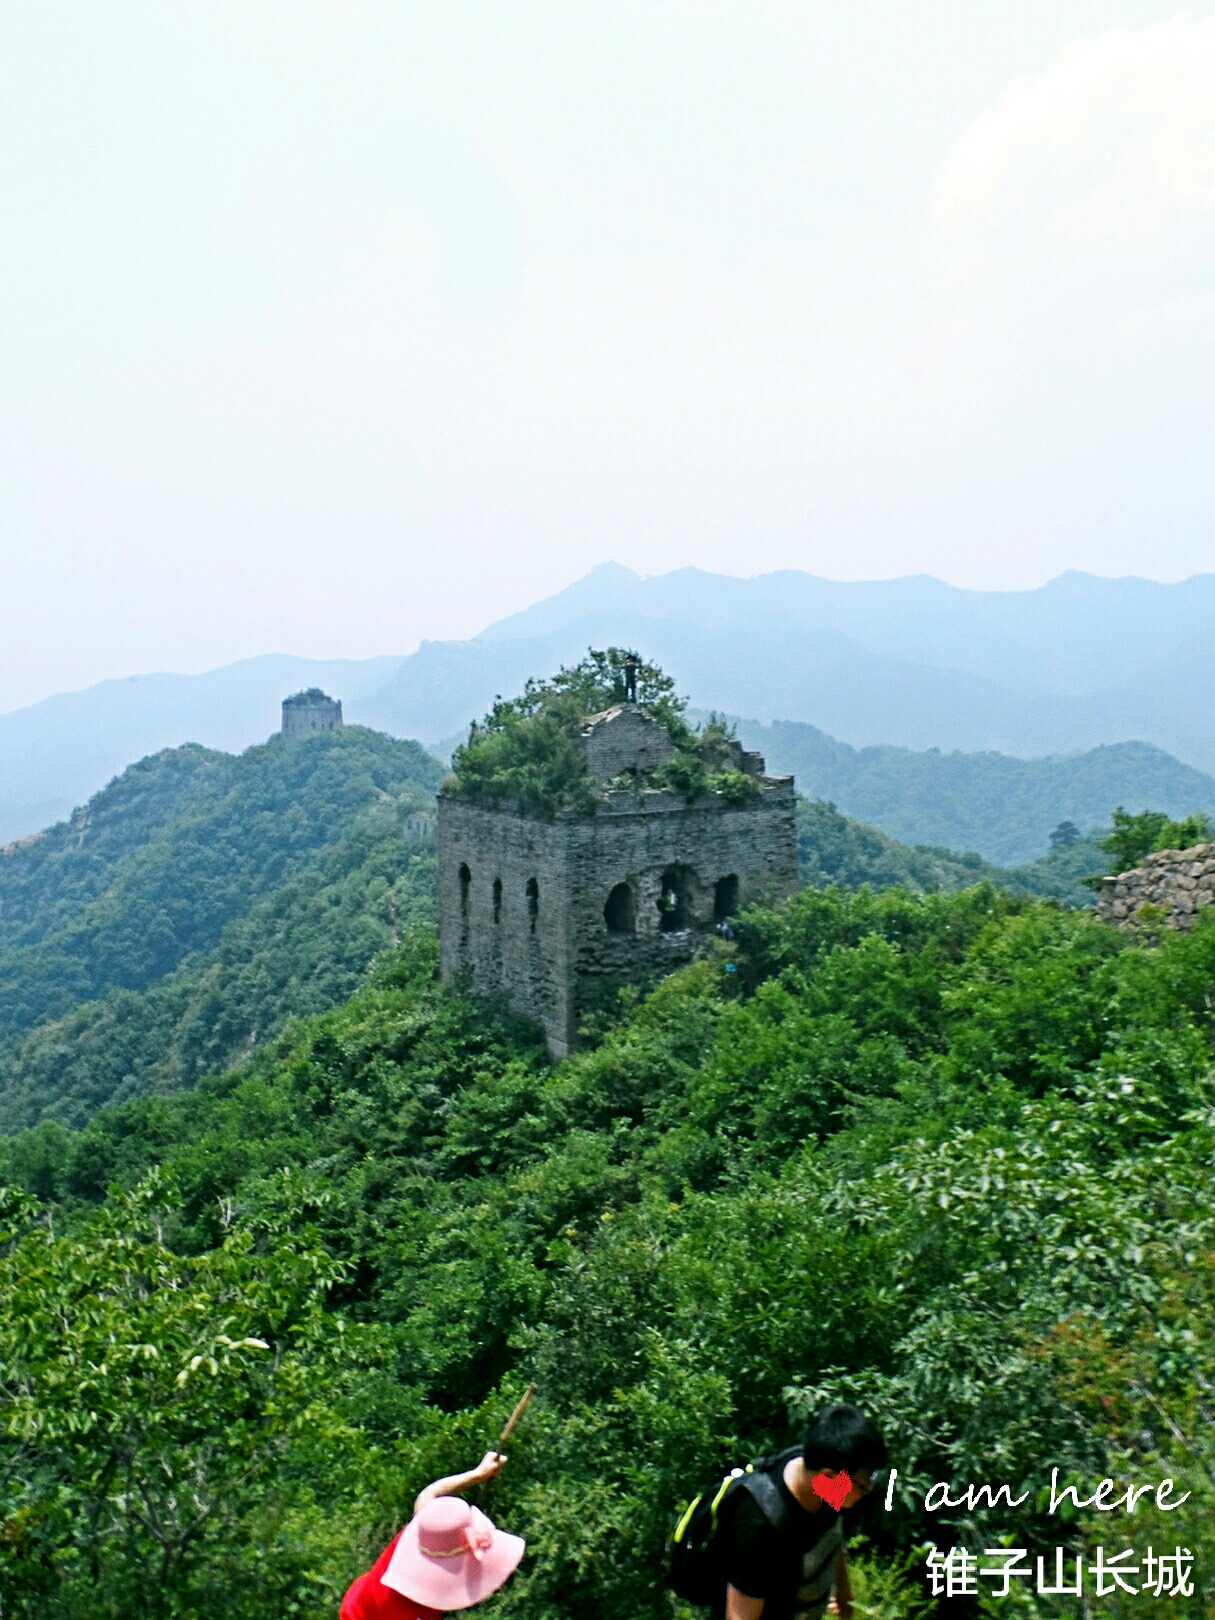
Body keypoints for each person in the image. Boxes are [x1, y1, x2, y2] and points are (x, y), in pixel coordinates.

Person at [715, 1404, 888, 1620]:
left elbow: (831, 1531)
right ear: (831, 1477)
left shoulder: (824, 1480)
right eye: (863, 1485)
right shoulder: (760, 1527)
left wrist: (843, 1590)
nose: (867, 1491)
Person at [340, 1451, 524, 1620]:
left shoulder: (429, 1530)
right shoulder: (401, 1607)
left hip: (366, 1593)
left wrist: (477, 1474)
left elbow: (430, 1494)